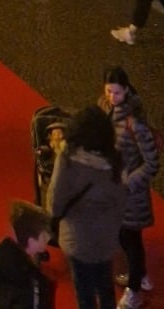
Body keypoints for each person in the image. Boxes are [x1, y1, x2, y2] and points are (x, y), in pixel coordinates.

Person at [48, 106, 125, 309]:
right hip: (106, 237)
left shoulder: (67, 160)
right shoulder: (114, 160)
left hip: (78, 238)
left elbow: (55, 203)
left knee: (84, 292)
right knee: (105, 284)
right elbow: (121, 200)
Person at [99, 67, 160, 309]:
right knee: (124, 237)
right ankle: (140, 275)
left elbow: (152, 163)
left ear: (126, 90)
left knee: (130, 239)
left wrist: (129, 182)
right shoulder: (105, 110)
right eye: (108, 92)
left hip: (130, 194)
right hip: (114, 189)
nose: (112, 97)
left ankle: (134, 290)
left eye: (116, 93)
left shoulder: (136, 124)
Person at [0, 200, 56, 309]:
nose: (48, 239)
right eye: (43, 237)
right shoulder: (28, 281)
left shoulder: (3, 252)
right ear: (31, 242)